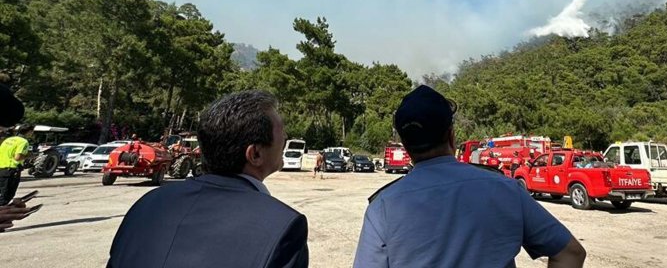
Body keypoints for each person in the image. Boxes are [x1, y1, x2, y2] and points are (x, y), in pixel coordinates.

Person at [354, 85, 586, 267]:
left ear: (405, 146)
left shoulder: (383, 207)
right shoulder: (506, 189)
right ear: (452, 136)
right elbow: (570, 253)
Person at [108, 90, 309, 268]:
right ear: (255, 154)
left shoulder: (146, 205)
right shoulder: (283, 227)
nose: (285, 139)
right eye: (281, 132)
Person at [0, 124, 34, 206]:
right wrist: (30, 156)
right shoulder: (23, 142)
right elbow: (17, 157)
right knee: (6, 196)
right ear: (29, 132)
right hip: (11, 170)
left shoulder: (7, 140)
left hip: (1, 168)